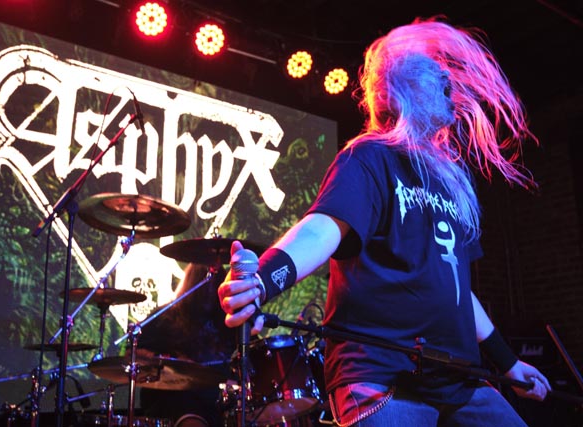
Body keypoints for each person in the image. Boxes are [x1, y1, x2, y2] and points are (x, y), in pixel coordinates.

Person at [217, 16, 552, 427]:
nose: (451, 89)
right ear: (407, 89)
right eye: (438, 80)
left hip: (457, 378)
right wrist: (263, 281)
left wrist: (508, 362)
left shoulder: (451, 182)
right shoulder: (369, 157)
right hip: (380, 375)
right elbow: (322, 230)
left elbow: (457, 290)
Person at [138, 263, 236, 427]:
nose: (209, 291)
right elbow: (135, 355)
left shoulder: (231, 320)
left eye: (215, 283)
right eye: (205, 284)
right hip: (177, 398)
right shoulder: (164, 317)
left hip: (223, 398)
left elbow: (255, 354)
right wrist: (172, 362)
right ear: (193, 283)